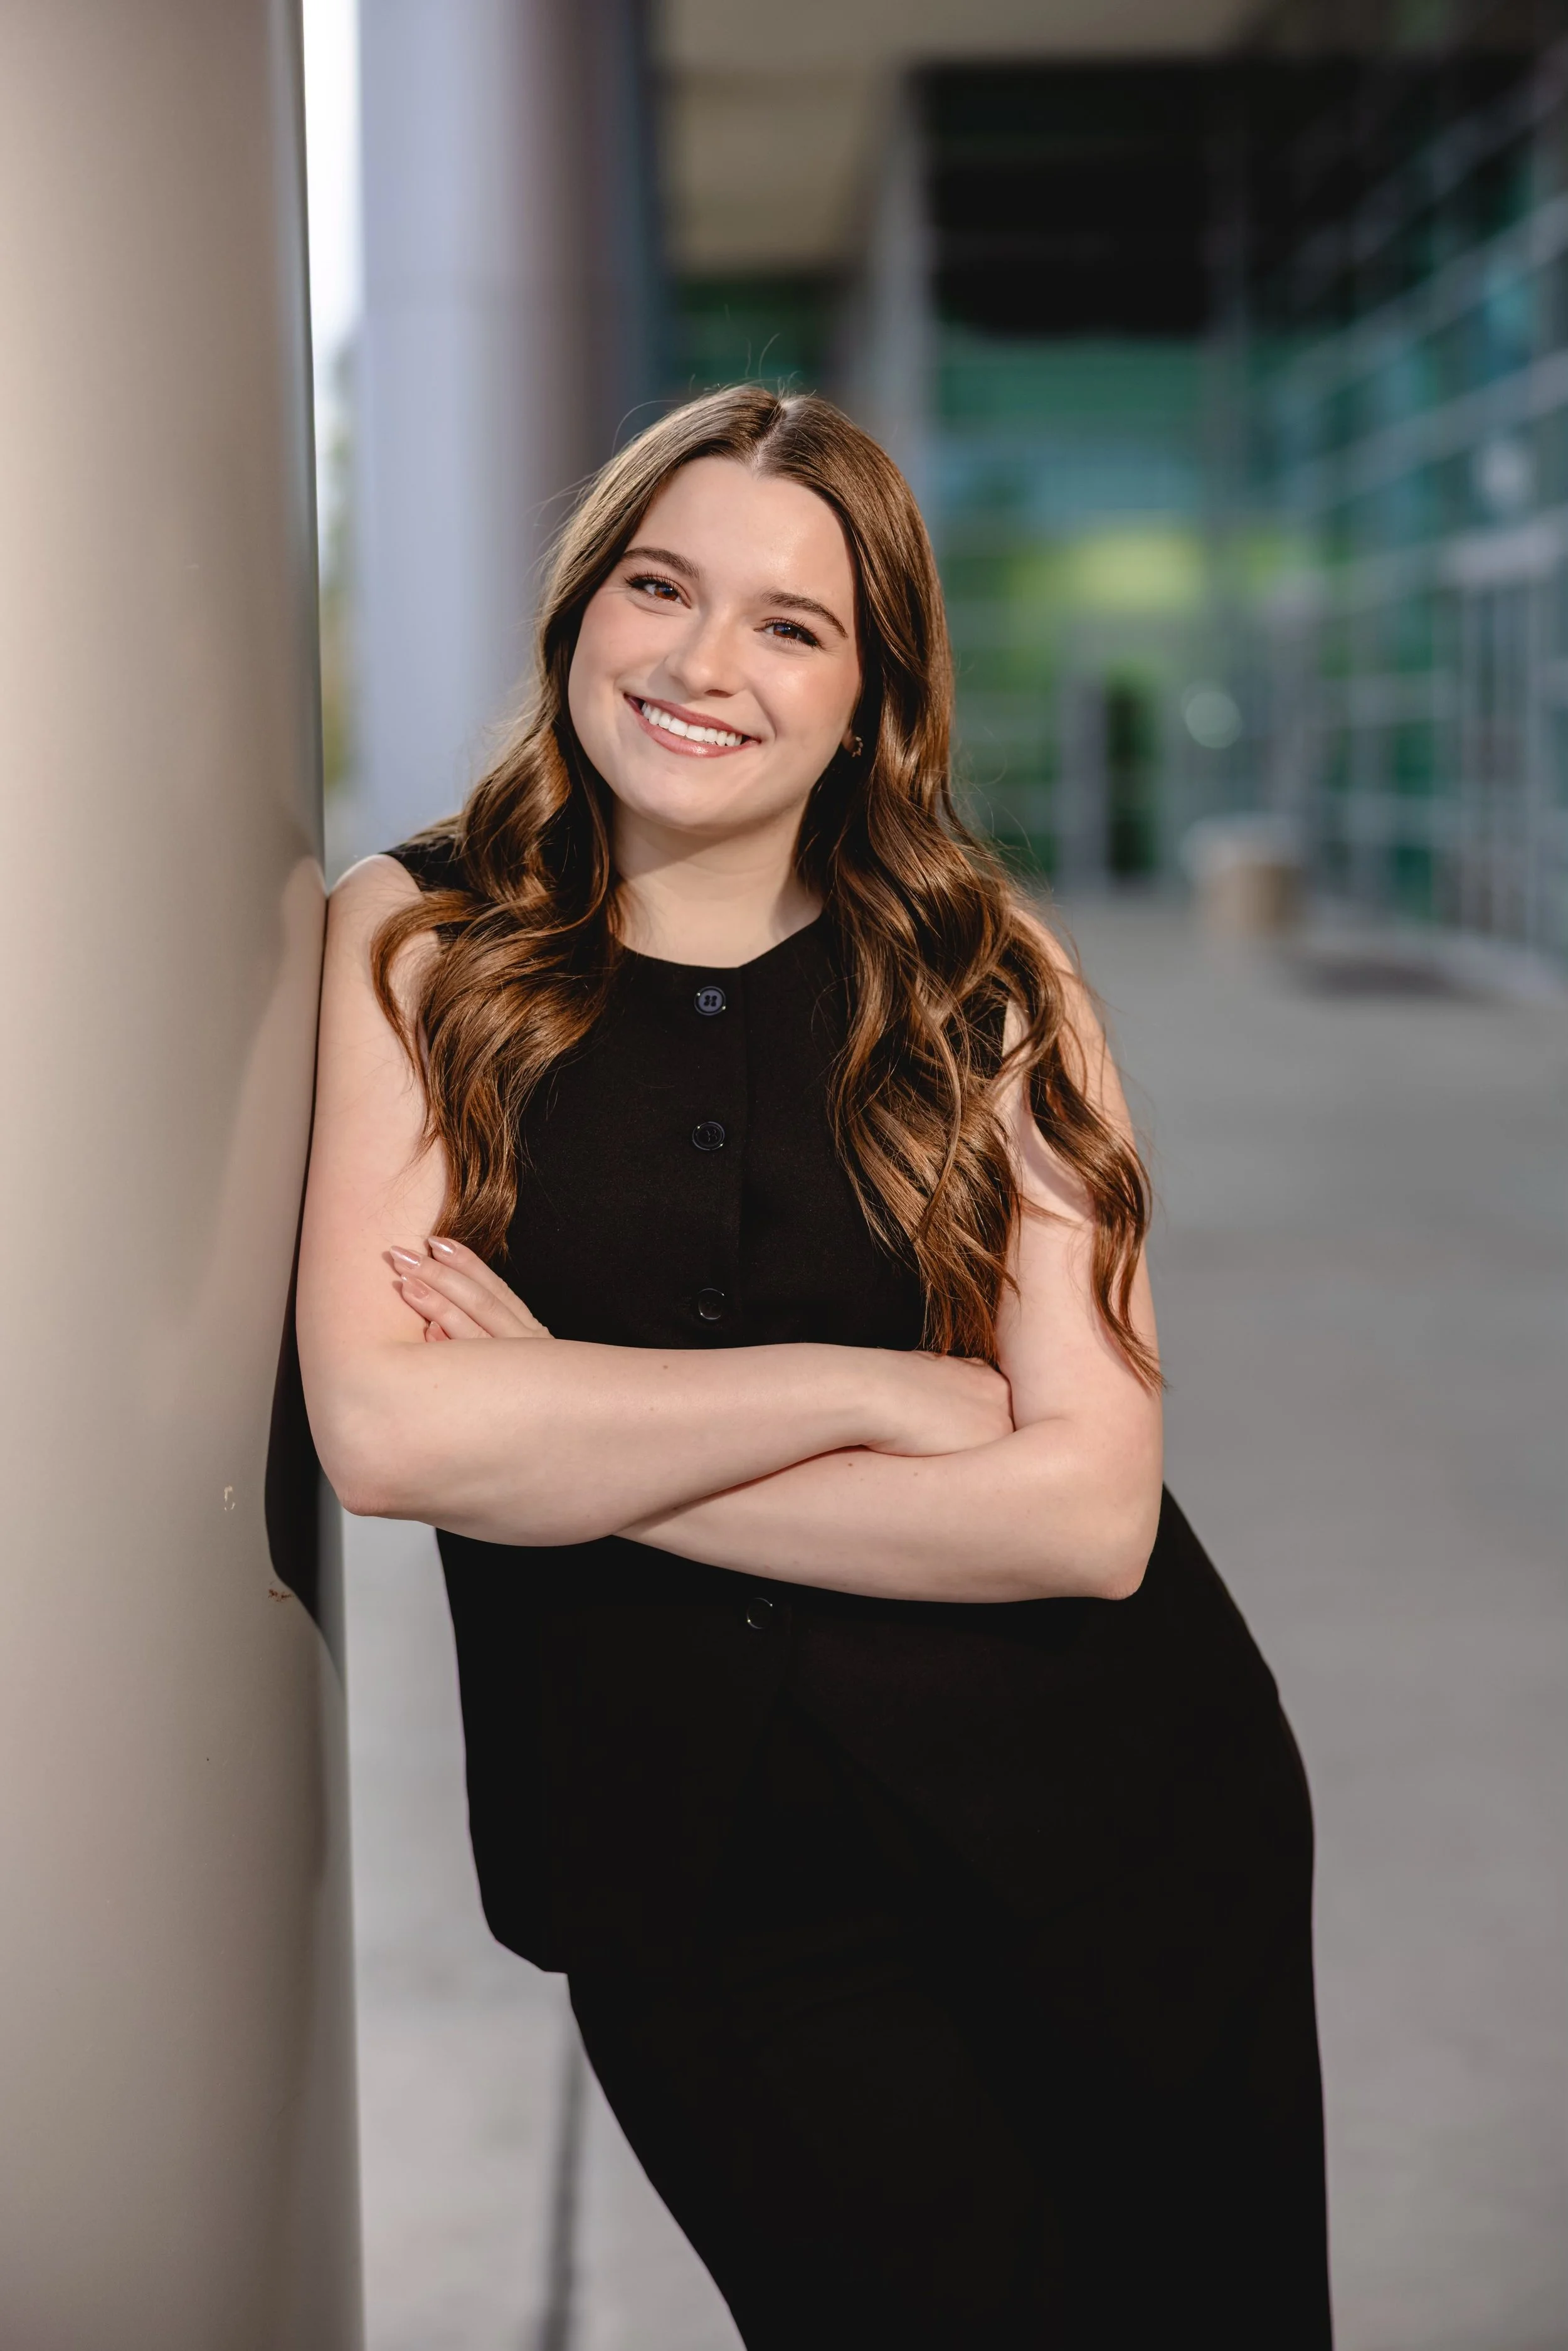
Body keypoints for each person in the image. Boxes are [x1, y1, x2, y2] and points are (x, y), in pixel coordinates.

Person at [299, 385, 1331, 2347]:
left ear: (873, 694)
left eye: (791, 624)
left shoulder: (987, 971)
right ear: (576, 611)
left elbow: (1087, 1514)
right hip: (689, 1888)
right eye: (656, 586)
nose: (700, 663)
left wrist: (575, 1427)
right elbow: (387, 1424)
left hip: (1118, 1826)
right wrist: (873, 1390)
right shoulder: (420, 945)